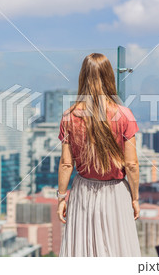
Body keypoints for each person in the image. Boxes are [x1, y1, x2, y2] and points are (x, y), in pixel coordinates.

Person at [57, 52, 141, 257]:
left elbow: (67, 164)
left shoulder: (69, 116)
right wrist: (135, 198)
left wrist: (61, 198)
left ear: (82, 78)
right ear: (110, 77)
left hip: (83, 192)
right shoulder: (124, 115)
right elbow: (131, 165)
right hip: (115, 193)